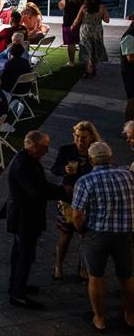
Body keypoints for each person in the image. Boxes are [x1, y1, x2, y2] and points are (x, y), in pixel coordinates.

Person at [71, 141, 134, 331]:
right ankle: (130, 315)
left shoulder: (85, 181)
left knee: (96, 276)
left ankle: (100, 318)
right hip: (125, 233)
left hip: (97, 234)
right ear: (111, 156)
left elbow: (76, 214)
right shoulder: (128, 175)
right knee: (127, 276)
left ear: (91, 159)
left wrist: (81, 229)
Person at [6, 130, 71, 310]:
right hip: (24, 217)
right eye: (45, 147)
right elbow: (38, 190)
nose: (47, 151)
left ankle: (17, 285)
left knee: (21, 253)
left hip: (25, 215)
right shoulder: (23, 165)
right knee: (24, 255)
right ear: (34, 146)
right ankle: (18, 294)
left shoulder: (27, 159)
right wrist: (63, 192)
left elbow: (40, 186)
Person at [50, 121, 99, 282]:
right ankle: (58, 266)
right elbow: (54, 169)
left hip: (90, 200)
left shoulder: (96, 152)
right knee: (66, 233)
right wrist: (64, 169)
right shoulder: (66, 150)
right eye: (77, 137)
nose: (80, 141)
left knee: (85, 235)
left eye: (84, 137)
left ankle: (83, 267)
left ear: (91, 137)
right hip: (68, 199)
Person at [73, 0, 110, 79]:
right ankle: (94, 69)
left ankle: (87, 70)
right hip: (97, 30)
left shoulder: (84, 7)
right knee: (95, 49)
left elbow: (77, 20)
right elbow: (107, 20)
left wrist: (72, 27)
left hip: (85, 30)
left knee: (86, 49)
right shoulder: (102, 7)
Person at [58, 0, 84, 67]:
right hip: (80, 24)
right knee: (81, 43)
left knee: (71, 44)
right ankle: (83, 61)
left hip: (68, 24)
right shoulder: (83, 0)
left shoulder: (67, 0)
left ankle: (72, 62)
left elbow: (60, 6)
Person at [122, 19, 134, 121]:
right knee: (132, 101)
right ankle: (128, 129)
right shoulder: (129, 36)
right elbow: (130, 58)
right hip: (130, 74)